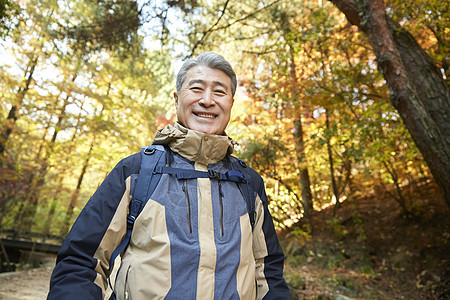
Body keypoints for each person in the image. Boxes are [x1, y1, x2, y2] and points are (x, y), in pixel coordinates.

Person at [48, 52, 290, 299]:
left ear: (230, 103)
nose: (207, 100)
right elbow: (81, 262)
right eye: (196, 88)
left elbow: (267, 273)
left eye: (219, 92)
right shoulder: (136, 171)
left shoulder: (249, 183)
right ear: (176, 99)